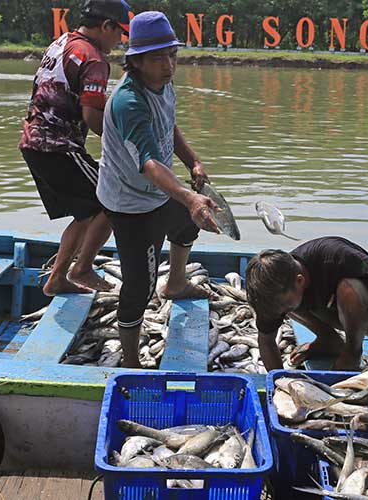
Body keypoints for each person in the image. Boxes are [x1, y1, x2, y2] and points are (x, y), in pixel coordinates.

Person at [97, 11, 220, 368]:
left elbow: (169, 125)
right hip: (130, 201)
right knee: (139, 285)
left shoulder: (163, 84)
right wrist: (187, 195)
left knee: (187, 221)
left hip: (160, 188)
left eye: (172, 56)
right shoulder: (128, 102)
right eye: (157, 58)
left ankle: (177, 283)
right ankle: (131, 361)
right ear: (135, 61)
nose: (168, 66)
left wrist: (192, 161)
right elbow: (149, 163)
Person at [18, 0, 131, 296]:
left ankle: (57, 278)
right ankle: (82, 269)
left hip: (33, 143)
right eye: (119, 33)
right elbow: (91, 115)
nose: (119, 41)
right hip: (58, 146)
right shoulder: (93, 58)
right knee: (112, 199)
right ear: (106, 26)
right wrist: (127, 149)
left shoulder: (61, 42)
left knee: (85, 212)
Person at [245, 237, 368, 372]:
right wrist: (278, 382)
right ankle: (329, 341)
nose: (282, 314)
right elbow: (266, 340)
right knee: (282, 307)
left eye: (284, 307)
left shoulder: (335, 255)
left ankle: (352, 351)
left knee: (347, 289)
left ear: (299, 280)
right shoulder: (276, 288)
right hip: (334, 310)